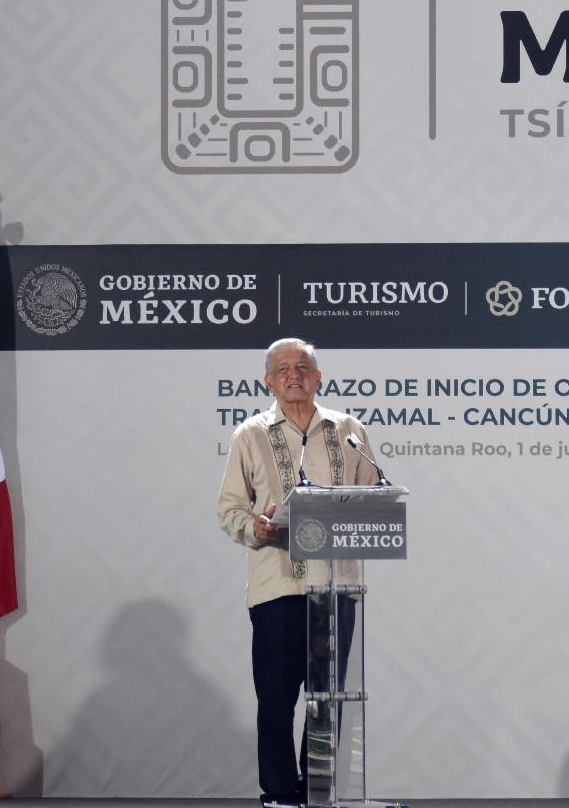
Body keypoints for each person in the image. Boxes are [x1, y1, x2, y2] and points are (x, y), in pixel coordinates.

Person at [217, 338, 378, 808]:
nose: (294, 375)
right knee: (276, 699)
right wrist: (257, 526)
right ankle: (280, 794)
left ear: (318, 377)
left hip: (337, 587)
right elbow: (229, 508)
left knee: (327, 700)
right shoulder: (249, 434)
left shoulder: (348, 430)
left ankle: (320, 791)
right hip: (278, 587)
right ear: (267, 380)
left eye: (303, 367)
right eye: (283, 368)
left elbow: (372, 497)